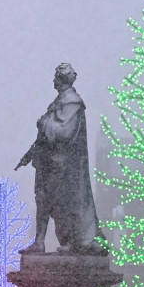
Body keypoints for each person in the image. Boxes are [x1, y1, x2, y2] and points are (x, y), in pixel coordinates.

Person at [15, 63, 106, 255]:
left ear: (63, 80)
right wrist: (30, 153)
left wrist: (44, 123)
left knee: (61, 203)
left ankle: (72, 240)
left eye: (56, 77)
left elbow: (65, 132)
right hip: (48, 162)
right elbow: (44, 137)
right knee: (43, 200)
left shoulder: (72, 101)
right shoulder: (60, 101)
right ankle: (39, 242)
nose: (53, 81)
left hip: (62, 165)